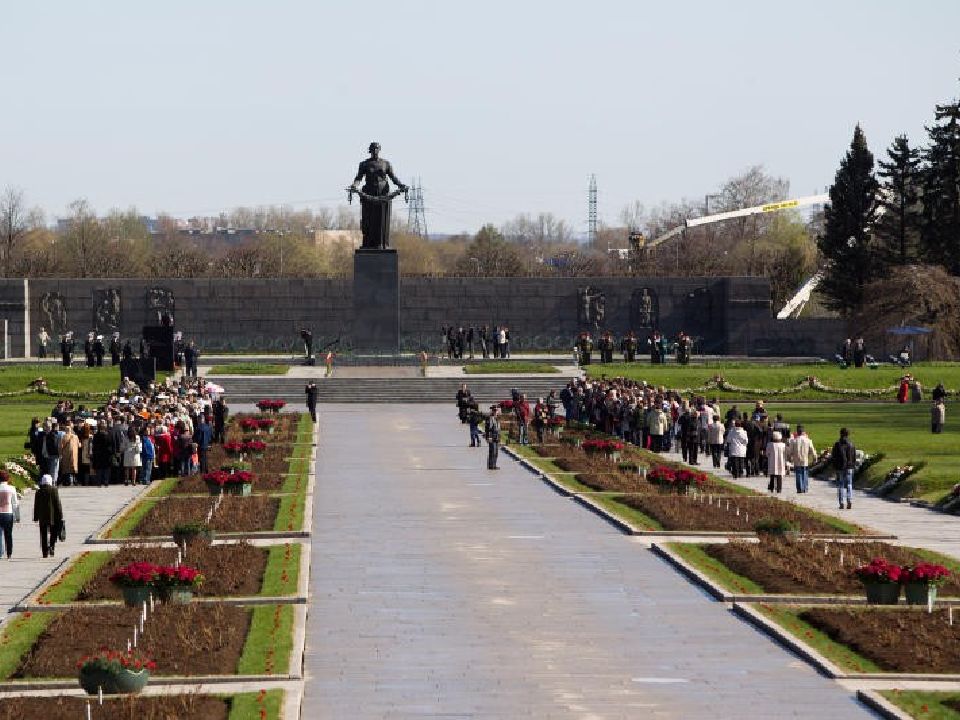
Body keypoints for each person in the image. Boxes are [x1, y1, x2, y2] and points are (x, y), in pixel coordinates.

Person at [33, 474, 63, 558]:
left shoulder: (38, 492)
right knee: (53, 532)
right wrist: (60, 515)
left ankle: (44, 552)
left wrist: (36, 517)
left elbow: (36, 505)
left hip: (42, 517)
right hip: (53, 516)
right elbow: (58, 504)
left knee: (43, 534)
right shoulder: (54, 490)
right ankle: (52, 546)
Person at [831, 427, 857, 510]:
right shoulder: (851, 444)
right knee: (849, 484)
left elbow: (833, 457)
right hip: (849, 467)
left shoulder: (837, 444)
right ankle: (849, 500)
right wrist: (852, 465)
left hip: (840, 467)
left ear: (840, 434)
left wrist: (834, 466)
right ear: (848, 434)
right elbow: (854, 457)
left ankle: (841, 502)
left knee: (841, 485)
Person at [786, 424, 817, 493]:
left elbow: (790, 451)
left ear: (797, 432)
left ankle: (800, 488)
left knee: (798, 474)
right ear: (803, 431)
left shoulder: (794, 441)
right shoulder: (808, 440)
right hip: (805, 459)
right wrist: (815, 457)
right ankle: (805, 488)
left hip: (797, 460)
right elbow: (812, 450)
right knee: (805, 473)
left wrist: (789, 458)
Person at [0, 472, 20, 559]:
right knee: (8, 534)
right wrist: (17, 516)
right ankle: (9, 553)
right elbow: (15, 503)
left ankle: (0, 552)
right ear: (7, 479)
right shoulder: (11, 488)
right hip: (8, 513)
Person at [92, 420, 114, 487]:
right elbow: (94, 445)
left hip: (107, 454)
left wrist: (111, 452)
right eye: (101, 423)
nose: (102, 424)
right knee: (99, 469)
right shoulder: (96, 435)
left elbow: (112, 443)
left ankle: (106, 482)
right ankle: (99, 483)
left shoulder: (109, 433)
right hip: (99, 454)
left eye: (104, 423)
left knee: (106, 469)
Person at [58, 422, 80, 487]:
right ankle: (73, 480)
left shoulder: (63, 437)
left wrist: (60, 454)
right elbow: (79, 445)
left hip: (65, 456)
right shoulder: (75, 436)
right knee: (73, 468)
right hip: (74, 456)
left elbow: (60, 446)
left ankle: (67, 481)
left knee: (66, 469)